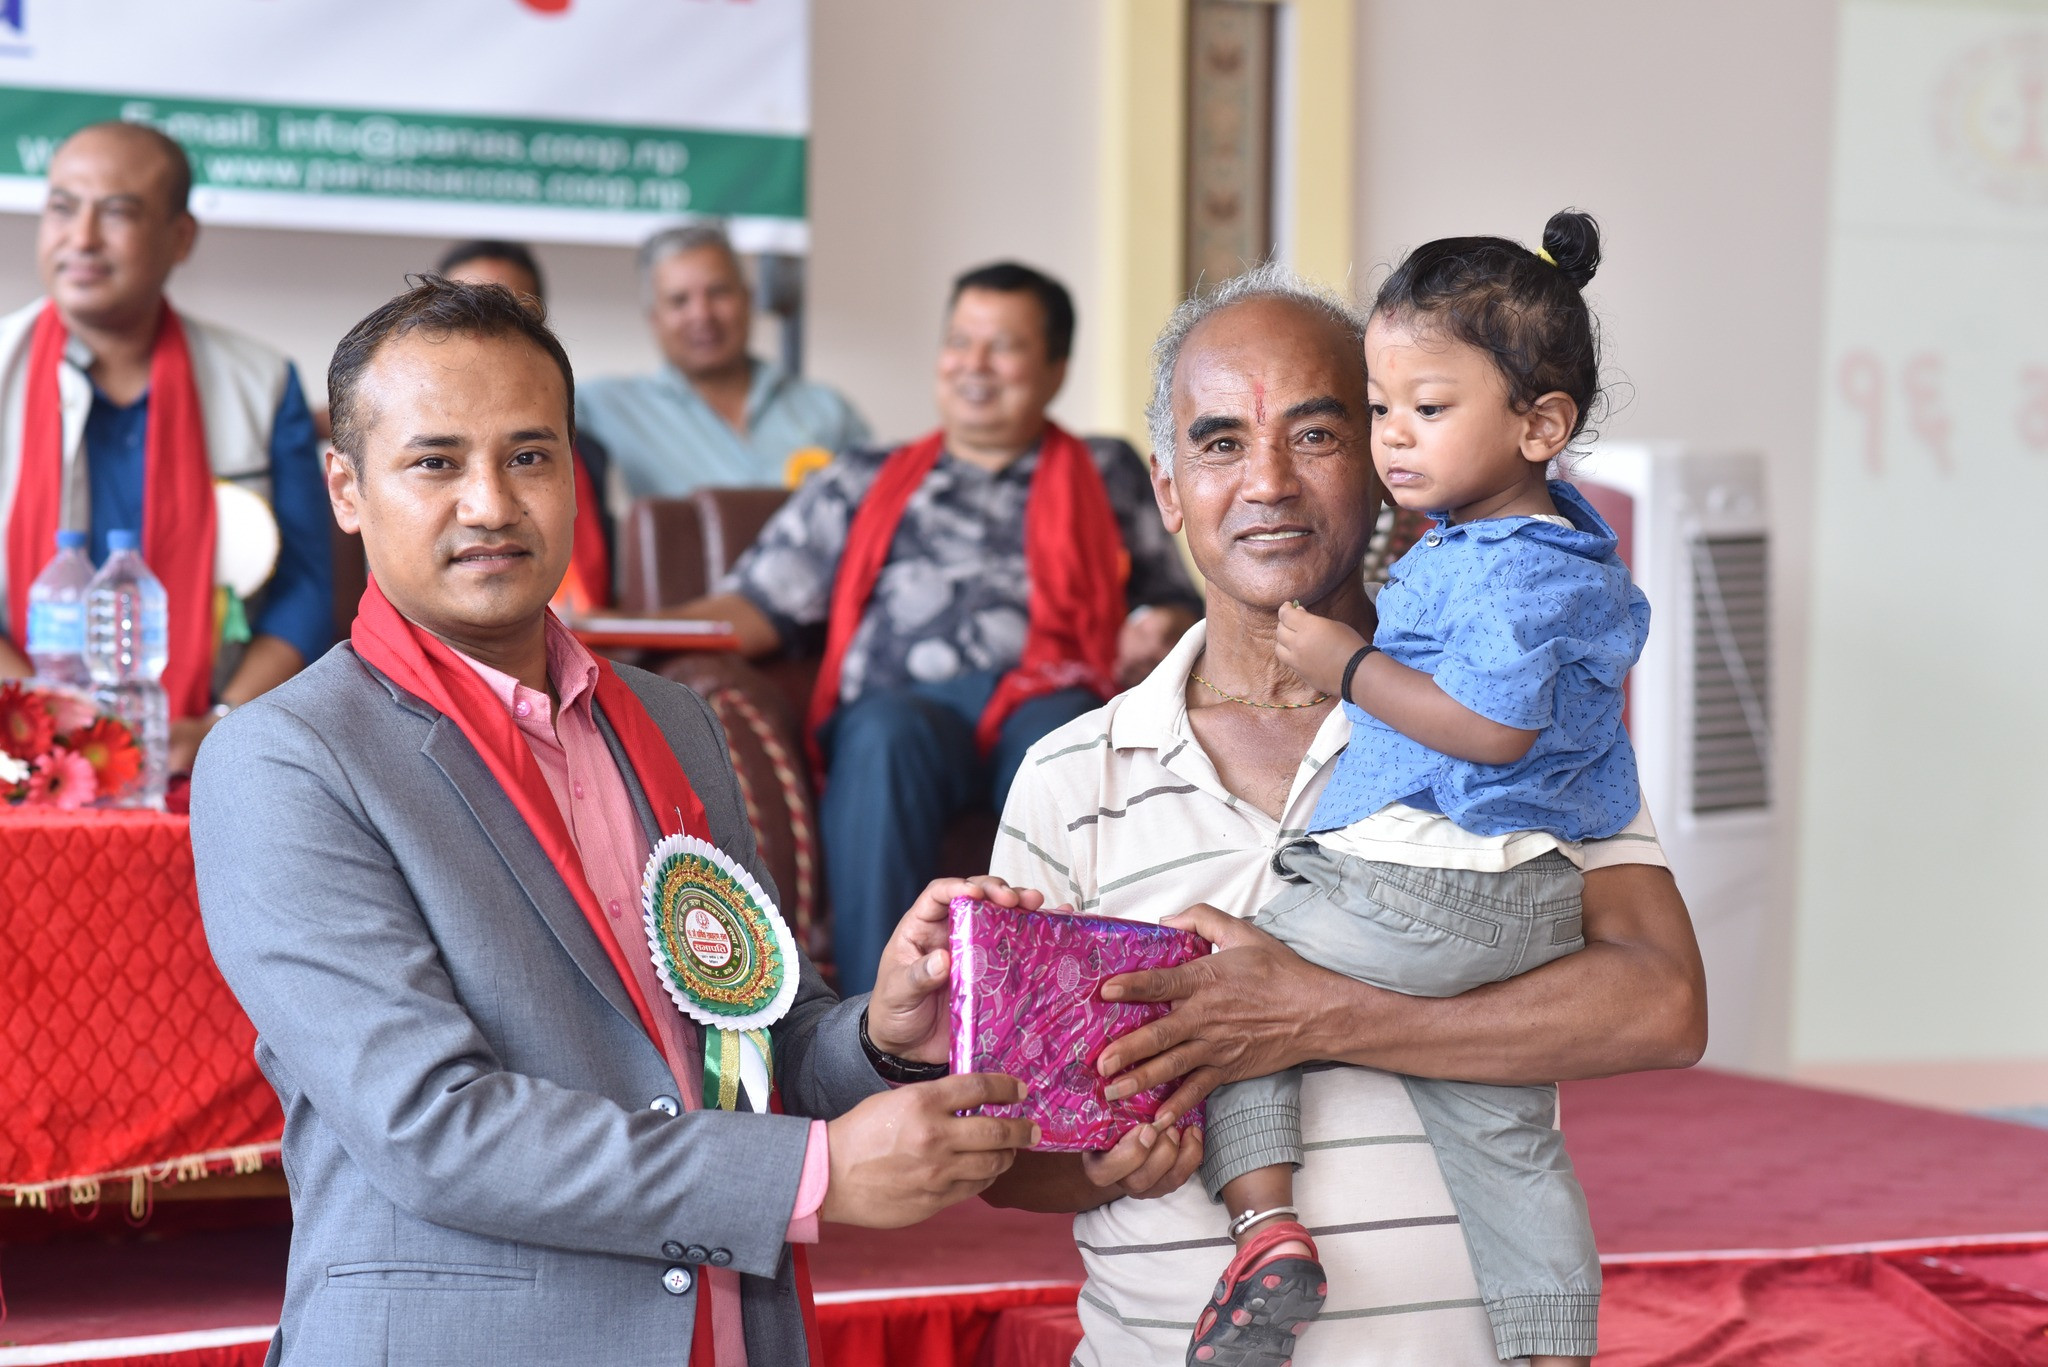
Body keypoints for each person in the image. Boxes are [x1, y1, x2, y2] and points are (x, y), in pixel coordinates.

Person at [189, 278, 1038, 1365]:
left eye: (529, 455)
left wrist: (883, 1033)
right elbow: (431, 1125)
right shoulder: (287, 757)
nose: (491, 503)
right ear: (346, 489)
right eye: (436, 462)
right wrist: (812, 1174)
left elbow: (748, 1042)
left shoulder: (672, 722)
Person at [981, 264, 1707, 1367]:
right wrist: (1093, 1163)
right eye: (1220, 443)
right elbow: (1002, 1148)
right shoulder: (1069, 773)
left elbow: (1662, 1007)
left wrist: (1313, 1013)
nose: (1267, 481)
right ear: (1168, 488)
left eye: (1317, 435)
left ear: (1381, 458)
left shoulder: (1516, 700)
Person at [1181, 213, 1645, 1367]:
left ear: (1540, 425)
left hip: (1428, 881)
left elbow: (1489, 729)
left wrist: (1346, 664)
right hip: (1518, 897)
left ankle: (1263, 1227)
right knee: (1505, 1137)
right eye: (1380, 408)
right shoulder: (1546, 543)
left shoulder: (1505, 566)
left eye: (1425, 410)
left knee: (1227, 989)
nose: (1393, 438)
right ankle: (1551, 1345)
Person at [679, 261, 1204, 996]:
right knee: (883, 737)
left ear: (1055, 369)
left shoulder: (1105, 468)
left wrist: (1154, 626)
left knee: (1066, 738)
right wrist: (622, 630)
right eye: (960, 342)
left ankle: (1061, 1008)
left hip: (1048, 692)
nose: (974, 365)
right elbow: (759, 604)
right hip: (905, 708)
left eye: (1004, 346)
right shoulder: (862, 476)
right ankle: (870, 1020)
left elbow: (1173, 602)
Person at [0, 121, 332, 772]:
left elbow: (306, 591)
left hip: (216, 749)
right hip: (18, 745)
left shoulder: (260, 381)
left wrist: (221, 728)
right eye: (63, 208)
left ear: (180, 238)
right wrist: (32, 716)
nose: (81, 238)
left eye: (117, 212)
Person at [577, 223, 868, 497]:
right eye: (679, 300)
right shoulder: (607, 407)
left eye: (718, 293)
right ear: (654, 319)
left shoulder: (827, 411)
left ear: (748, 299)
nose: (702, 315)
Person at [438, 238, 618, 609]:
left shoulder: (592, 457)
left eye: (527, 458)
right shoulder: (395, 446)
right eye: (465, 316)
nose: (488, 337)